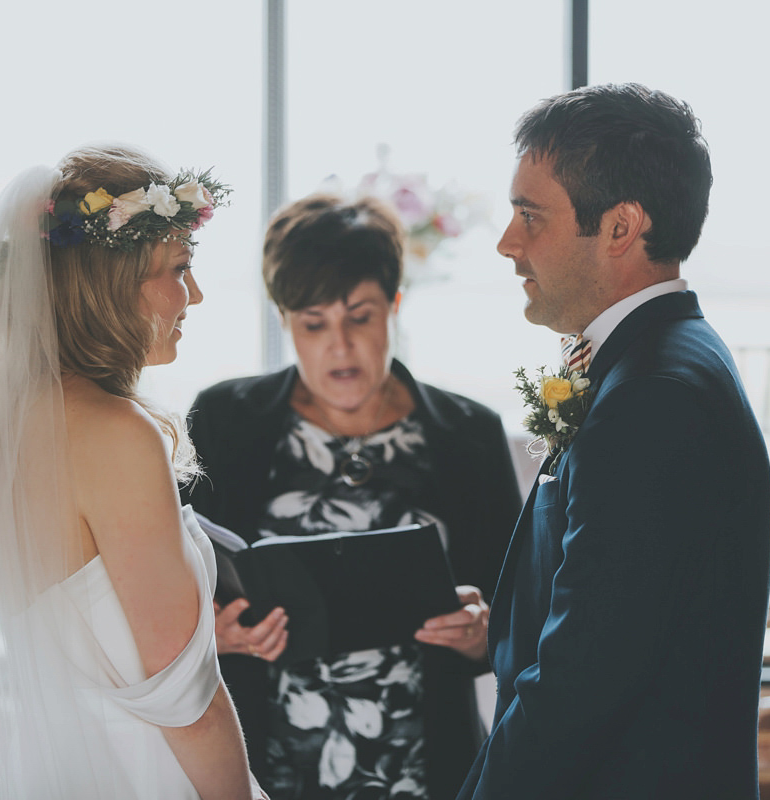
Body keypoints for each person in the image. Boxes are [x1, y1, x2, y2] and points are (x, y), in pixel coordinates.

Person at [0, 144, 266, 799]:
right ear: (110, 281)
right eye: (180, 267)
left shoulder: (6, 422)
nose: (193, 295)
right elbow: (187, 705)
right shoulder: (116, 434)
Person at [457, 83, 770, 800]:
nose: (508, 244)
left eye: (529, 217)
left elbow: (584, 677)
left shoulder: (654, 395)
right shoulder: (657, 359)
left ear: (621, 226)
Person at [182, 193, 522, 800]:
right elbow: (173, 591)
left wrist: (484, 634)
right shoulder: (223, 422)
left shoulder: (468, 433)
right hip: (265, 763)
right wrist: (214, 633)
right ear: (284, 320)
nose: (338, 344)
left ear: (394, 305)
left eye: (360, 316)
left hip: (427, 766)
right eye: (313, 323)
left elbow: (520, 609)